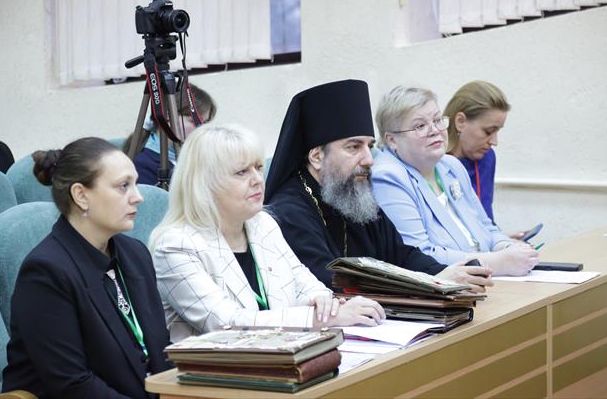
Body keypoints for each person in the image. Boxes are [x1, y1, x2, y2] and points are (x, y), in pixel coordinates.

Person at [149, 124, 385, 343]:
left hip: (284, 355)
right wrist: (321, 318)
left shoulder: (262, 224)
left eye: (259, 168)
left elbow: (307, 286)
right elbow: (226, 323)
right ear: (204, 184)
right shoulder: (175, 246)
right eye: (241, 172)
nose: (257, 180)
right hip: (217, 369)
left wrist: (324, 303)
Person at [264, 79, 492, 293]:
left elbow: (402, 255)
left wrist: (443, 273)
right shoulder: (288, 213)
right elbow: (330, 282)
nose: (369, 159)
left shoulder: (351, 195)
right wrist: (432, 282)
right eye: (354, 147)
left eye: (370, 146)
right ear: (317, 157)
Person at [2, 137, 172, 398]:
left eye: (135, 184)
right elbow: (72, 384)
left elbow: (160, 352)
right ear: (81, 195)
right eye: (123, 186)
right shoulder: (46, 272)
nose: (138, 197)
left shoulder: (135, 253)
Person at [372, 86, 538, 276]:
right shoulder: (388, 176)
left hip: (484, 279)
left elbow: (487, 227)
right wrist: (498, 262)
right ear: (392, 140)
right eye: (420, 126)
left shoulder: (450, 165)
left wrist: (508, 247)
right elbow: (418, 255)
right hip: (442, 287)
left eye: (437, 120)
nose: (435, 130)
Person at [125, 83, 217, 185]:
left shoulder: (192, 155)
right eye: (194, 121)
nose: (201, 128)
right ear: (167, 115)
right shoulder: (143, 165)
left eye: (205, 122)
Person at [443, 80, 508, 224]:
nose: (494, 142)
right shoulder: (433, 165)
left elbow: (486, 220)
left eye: (497, 131)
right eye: (489, 131)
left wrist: (500, 236)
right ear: (460, 122)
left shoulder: (487, 158)